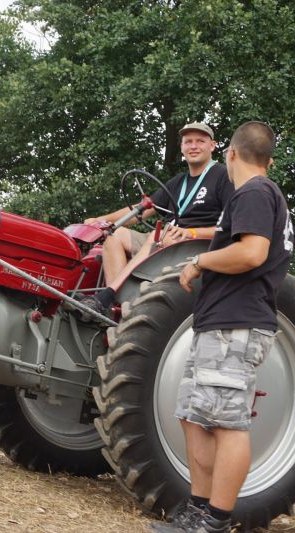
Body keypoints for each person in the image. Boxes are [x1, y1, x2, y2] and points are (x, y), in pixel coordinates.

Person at [153, 122, 293, 533]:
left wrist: (199, 262)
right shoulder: (264, 195)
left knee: (226, 423)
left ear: (230, 154)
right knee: (193, 415)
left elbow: (251, 253)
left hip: (238, 322)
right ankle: (198, 508)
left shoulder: (254, 192)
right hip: (219, 320)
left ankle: (215, 519)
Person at [81, 123, 233, 317]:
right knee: (115, 236)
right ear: (182, 148)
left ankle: (107, 296)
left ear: (212, 146)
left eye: (200, 141)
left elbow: (229, 226)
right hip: (167, 239)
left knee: (158, 234)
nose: (193, 146)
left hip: (195, 244)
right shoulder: (179, 181)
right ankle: (116, 307)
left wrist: (192, 232)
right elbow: (141, 210)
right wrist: (100, 220)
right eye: (188, 142)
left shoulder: (223, 176)